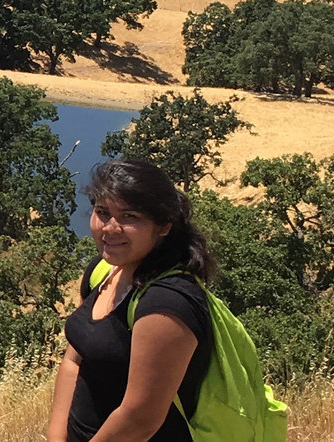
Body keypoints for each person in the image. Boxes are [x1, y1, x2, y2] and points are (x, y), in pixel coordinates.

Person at [46, 159, 221, 442]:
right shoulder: (102, 271)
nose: (110, 228)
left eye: (129, 217)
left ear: (163, 226)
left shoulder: (167, 304)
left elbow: (140, 419)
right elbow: (73, 360)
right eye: (103, 213)